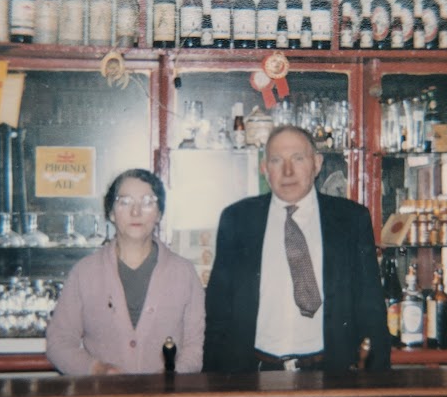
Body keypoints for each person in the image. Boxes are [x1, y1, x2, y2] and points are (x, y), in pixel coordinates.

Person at [203, 125, 390, 373]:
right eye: (277, 160)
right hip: (254, 374)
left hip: (331, 373)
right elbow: (218, 313)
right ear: (264, 169)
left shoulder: (350, 220)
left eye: (298, 158)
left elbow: (371, 308)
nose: (288, 171)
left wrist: (376, 383)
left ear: (317, 164)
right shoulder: (237, 220)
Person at [46, 169, 205, 375]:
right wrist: (95, 368)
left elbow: (195, 348)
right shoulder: (85, 273)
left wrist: (169, 378)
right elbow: (58, 343)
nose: (136, 212)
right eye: (125, 202)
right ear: (111, 212)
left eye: (148, 202)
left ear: (159, 213)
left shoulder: (184, 273)